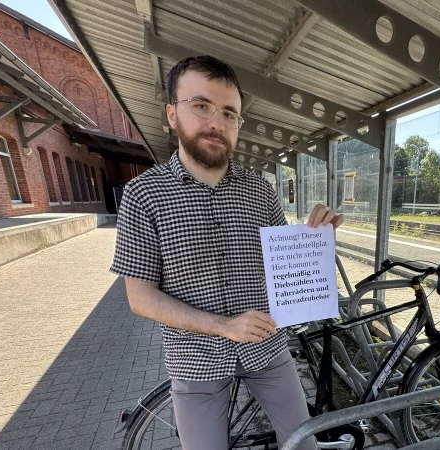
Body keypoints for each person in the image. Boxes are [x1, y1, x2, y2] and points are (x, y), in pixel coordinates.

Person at [110, 55, 343, 450]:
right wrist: (225, 326)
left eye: (229, 113)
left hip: (267, 350)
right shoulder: (143, 194)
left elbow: (282, 270)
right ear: (172, 113)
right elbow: (140, 297)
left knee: (303, 445)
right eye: (201, 106)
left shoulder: (260, 190)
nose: (216, 123)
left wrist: (311, 240)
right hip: (195, 361)